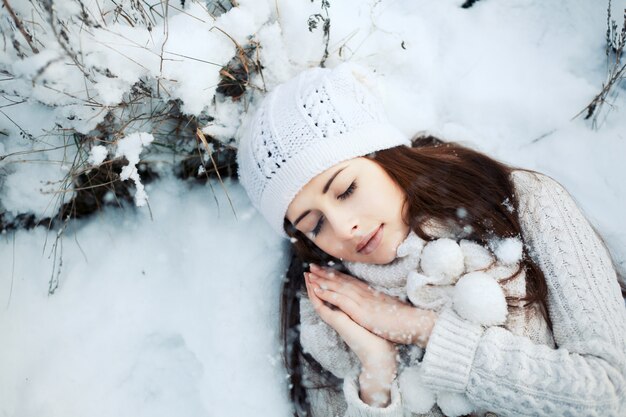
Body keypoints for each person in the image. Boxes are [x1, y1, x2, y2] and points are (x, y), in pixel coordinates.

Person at [236, 64, 626, 417]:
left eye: (346, 189)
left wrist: (418, 327)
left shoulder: (520, 201)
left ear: (382, 155)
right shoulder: (327, 316)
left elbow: (609, 392)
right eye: (315, 224)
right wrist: (376, 368)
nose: (343, 229)